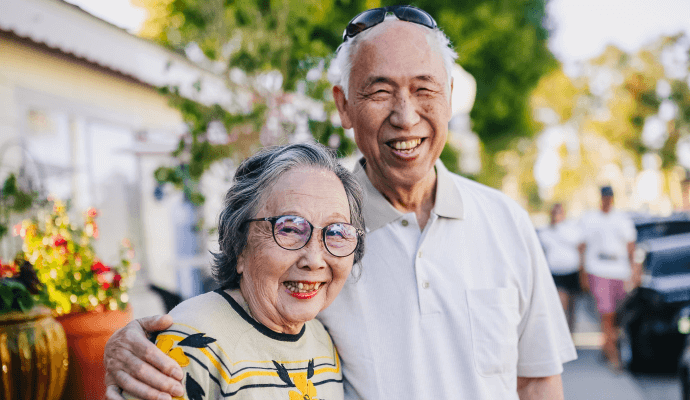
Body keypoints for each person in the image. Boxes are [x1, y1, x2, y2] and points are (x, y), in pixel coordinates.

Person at [104, 6, 576, 400]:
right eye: (380, 90)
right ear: (344, 106)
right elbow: (235, 314)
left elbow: (536, 379)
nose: (405, 115)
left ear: (450, 98)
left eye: (424, 89)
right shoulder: (318, 234)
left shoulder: (506, 222)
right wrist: (139, 343)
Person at [122, 143, 365, 399]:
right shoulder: (189, 344)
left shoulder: (323, 341)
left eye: (337, 231)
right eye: (290, 229)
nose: (314, 260)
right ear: (239, 244)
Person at [579, 186, 638, 369]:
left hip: (619, 270)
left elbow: (631, 246)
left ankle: (607, 346)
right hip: (598, 269)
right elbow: (582, 246)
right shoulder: (591, 219)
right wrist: (583, 273)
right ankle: (614, 356)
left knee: (616, 315)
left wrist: (634, 270)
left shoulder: (621, 219)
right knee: (607, 313)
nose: (607, 200)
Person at [538, 203, 584, 331]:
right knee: (561, 306)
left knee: (571, 307)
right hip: (556, 272)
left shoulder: (572, 229)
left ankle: (570, 335)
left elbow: (581, 247)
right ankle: (562, 333)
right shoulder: (545, 232)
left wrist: (582, 269)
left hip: (572, 271)